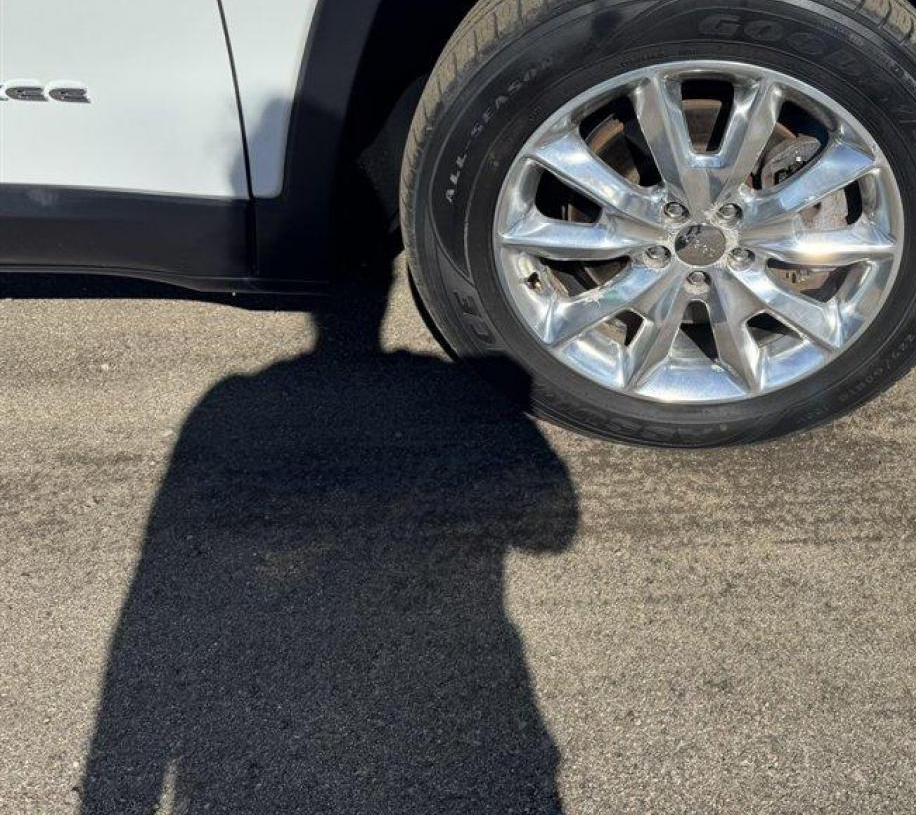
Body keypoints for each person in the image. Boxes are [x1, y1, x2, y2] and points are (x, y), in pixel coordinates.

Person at [80, 265, 578, 814]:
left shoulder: (236, 404)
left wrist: (117, 797)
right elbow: (552, 532)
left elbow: (148, 603)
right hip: (458, 723)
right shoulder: (448, 387)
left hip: (254, 753)